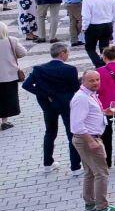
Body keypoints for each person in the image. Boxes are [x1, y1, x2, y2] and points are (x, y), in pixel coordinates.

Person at [24, 41, 82, 169]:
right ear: (62, 54)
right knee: (71, 133)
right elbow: (75, 88)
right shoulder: (70, 69)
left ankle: (47, 163)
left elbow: (26, 85)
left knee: (50, 132)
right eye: (67, 53)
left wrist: (44, 94)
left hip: (48, 105)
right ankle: (75, 166)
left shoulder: (39, 69)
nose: (68, 55)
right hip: (66, 104)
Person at [69, 69, 115, 211]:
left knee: (90, 172)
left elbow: (88, 115)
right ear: (83, 81)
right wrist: (90, 141)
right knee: (101, 173)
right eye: (92, 80)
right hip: (88, 139)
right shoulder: (81, 98)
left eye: (97, 80)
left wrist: (103, 112)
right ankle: (102, 207)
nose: (96, 83)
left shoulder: (88, 95)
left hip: (88, 138)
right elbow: (76, 124)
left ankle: (90, 202)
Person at [79, 0, 115, 68]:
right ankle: (105, 64)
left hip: (93, 25)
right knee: (104, 47)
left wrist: (84, 27)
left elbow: (86, 16)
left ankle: (99, 64)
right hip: (107, 24)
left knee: (90, 47)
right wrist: (113, 22)